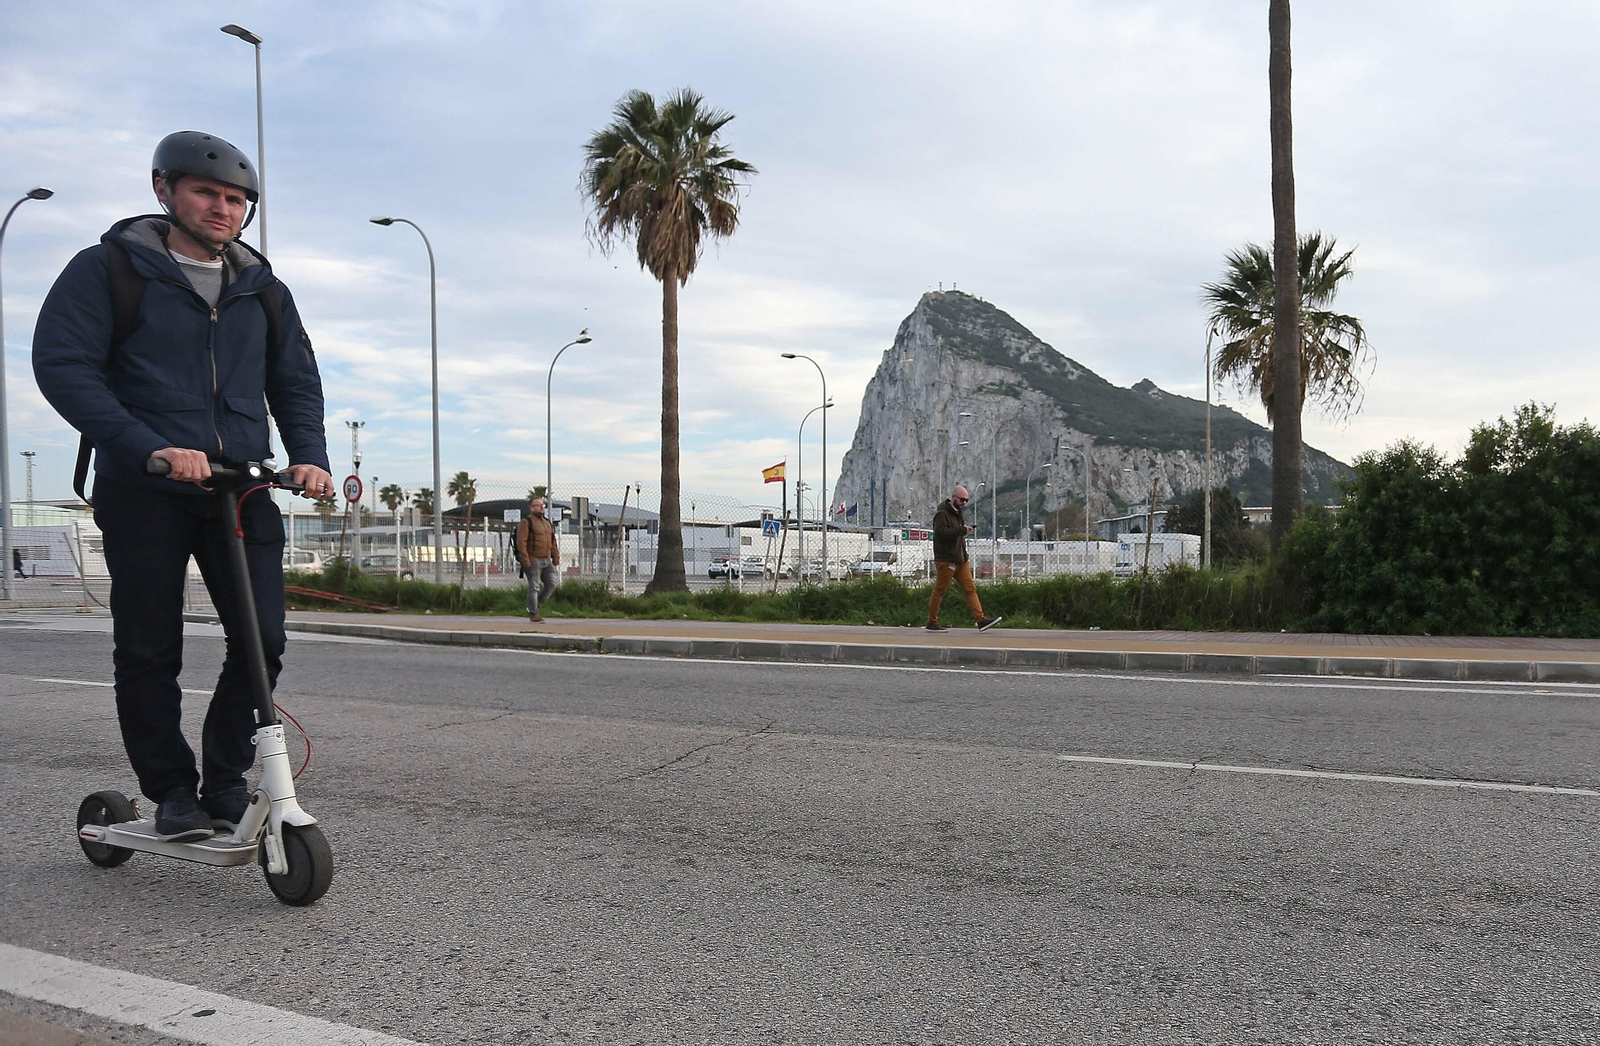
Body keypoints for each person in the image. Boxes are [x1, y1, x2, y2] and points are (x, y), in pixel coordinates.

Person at [32, 131, 333, 842]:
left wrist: (309, 455)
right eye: (207, 192)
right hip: (147, 487)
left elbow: (294, 381)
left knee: (262, 639)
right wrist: (148, 448)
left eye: (236, 199)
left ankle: (224, 781)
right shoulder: (109, 269)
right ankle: (171, 789)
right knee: (149, 645)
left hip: (242, 486)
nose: (222, 208)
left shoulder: (263, 290)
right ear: (165, 190)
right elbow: (64, 366)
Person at [927, 485, 1001, 632]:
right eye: (962, 500)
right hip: (947, 560)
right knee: (940, 591)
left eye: (966, 500)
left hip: (961, 560)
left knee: (970, 589)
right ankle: (932, 621)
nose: (964, 503)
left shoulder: (957, 514)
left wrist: (962, 534)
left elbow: (954, 534)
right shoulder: (942, 514)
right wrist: (961, 530)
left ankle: (980, 620)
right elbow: (940, 534)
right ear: (953, 497)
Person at [516, 496, 560, 622]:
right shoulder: (526, 522)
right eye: (538, 505)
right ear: (531, 508)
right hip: (533, 559)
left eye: (543, 505)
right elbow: (521, 542)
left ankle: (534, 606)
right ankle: (534, 614)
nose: (541, 507)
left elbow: (553, 541)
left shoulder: (547, 523)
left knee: (551, 585)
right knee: (534, 587)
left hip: (547, 560)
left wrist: (555, 556)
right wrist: (525, 560)